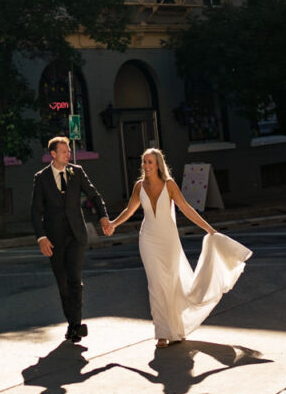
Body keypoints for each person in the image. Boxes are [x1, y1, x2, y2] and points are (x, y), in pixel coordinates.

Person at [104, 147, 251, 347]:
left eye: (150, 162)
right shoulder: (139, 186)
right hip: (148, 239)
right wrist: (113, 223)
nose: (146, 166)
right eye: (144, 162)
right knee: (155, 285)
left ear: (158, 165)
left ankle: (176, 329)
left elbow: (186, 209)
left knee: (171, 284)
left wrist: (209, 229)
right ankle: (162, 333)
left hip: (169, 240)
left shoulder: (169, 184)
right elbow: (129, 210)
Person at [29, 135, 109, 342]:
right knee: (63, 282)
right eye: (64, 151)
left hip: (76, 236)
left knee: (74, 278)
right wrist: (41, 238)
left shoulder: (77, 172)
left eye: (68, 151)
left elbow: (94, 195)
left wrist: (103, 216)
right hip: (54, 239)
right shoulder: (41, 178)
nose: (68, 154)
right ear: (53, 154)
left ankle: (76, 324)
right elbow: (35, 211)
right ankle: (72, 324)